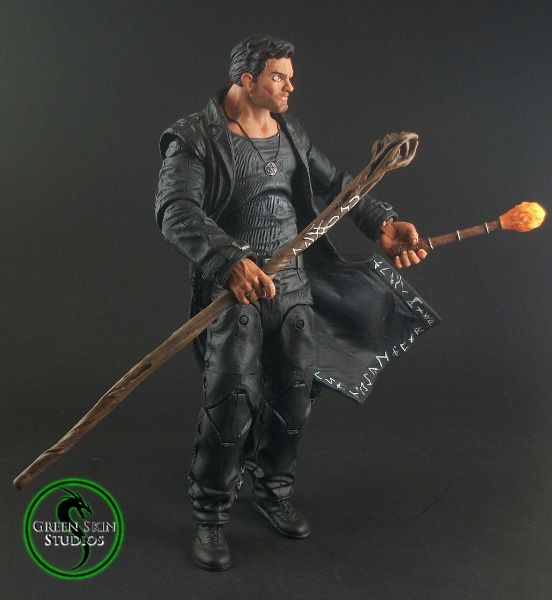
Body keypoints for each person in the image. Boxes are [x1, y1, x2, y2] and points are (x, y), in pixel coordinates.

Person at [155, 34, 432, 571]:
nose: (290, 86)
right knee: (230, 401)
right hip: (235, 293)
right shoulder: (194, 138)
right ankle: (211, 513)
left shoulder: (290, 133)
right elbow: (176, 211)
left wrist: (381, 222)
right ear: (247, 79)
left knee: (295, 397)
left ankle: (272, 489)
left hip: (294, 289)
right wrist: (229, 260)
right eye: (279, 77)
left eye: (289, 77)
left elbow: (340, 185)